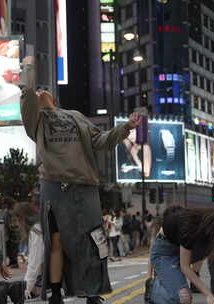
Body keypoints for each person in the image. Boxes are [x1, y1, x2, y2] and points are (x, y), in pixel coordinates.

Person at [20, 55, 141, 304]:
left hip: (85, 185)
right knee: (55, 240)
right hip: (54, 184)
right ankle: (55, 293)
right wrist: (29, 67)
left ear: (55, 99)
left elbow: (100, 141)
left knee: (93, 240)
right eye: (39, 91)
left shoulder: (76, 116)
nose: (41, 92)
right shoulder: (36, 121)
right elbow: (27, 93)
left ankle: (92, 292)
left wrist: (125, 127)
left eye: (46, 91)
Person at [147, 206, 214, 304]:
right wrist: (208, 295)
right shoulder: (188, 226)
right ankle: (152, 288)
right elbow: (185, 267)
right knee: (184, 298)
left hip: (183, 248)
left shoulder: (212, 223)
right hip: (166, 253)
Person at [13, 202, 44, 299]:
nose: (17, 223)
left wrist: (26, 288)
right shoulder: (39, 226)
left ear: (22, 218)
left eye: (17, 219)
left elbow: (35, 261)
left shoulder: (36, 230)